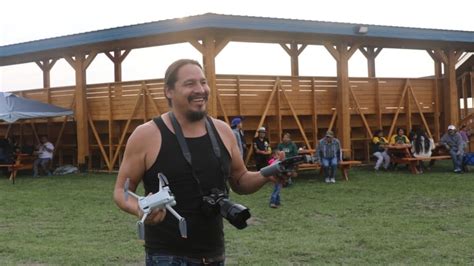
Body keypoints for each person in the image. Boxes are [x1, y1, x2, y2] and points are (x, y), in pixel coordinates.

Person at [113, 59, 277, 265]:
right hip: (167, 256)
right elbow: (122, 191)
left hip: (214, 254)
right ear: (169, 91)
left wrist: (267, 173)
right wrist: (140, 207)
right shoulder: (147, 135)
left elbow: (241, 180)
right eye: (190, 84)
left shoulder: (223, 131)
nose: (200, 90)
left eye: (203, 82)